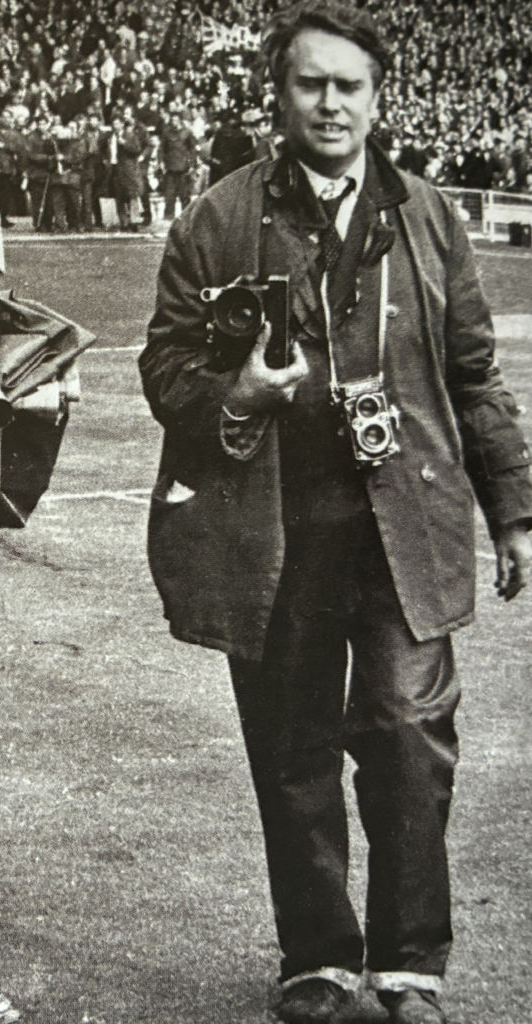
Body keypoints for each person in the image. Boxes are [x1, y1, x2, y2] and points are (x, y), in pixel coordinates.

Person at [138, 4, 532, 1024]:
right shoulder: (217, 217)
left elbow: (474, 374)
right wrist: (238, 393)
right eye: (309, 83)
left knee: (408, 735)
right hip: (273, 529)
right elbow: (164, 368)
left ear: (376, 98)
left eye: (347, 86)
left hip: (407, 524)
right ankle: (315, 958)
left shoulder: (429, 216)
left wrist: (512, 510)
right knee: (292, 746)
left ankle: (408, 966)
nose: (328, 103)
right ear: (277, 94)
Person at [159, 110, 198, 219]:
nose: (174, 122)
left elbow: (192, 149)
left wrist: (192, 164)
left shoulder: (187, 132)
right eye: (172, 120)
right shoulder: (166, 133)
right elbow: (162, 149)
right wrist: (161, 161)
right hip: (170, 168)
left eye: (176, 120)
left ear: (180, 121)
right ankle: (168, 217)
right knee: (169, 195)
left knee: (184, 195)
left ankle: (186, 217)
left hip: (183, 168)